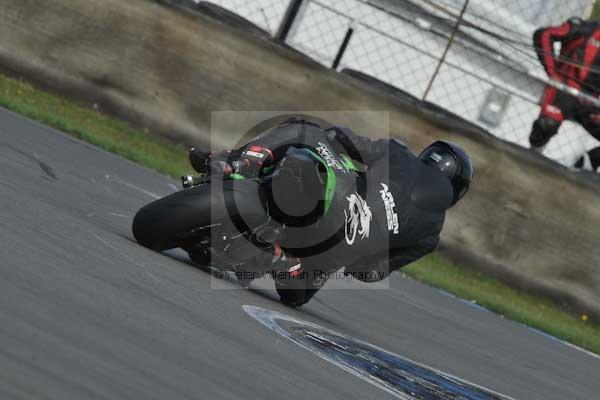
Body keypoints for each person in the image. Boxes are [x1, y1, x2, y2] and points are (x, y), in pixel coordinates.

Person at [190, 118, 473, 306]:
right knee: (295, 297)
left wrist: (329, 142)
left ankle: (232, 163)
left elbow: (343, 139)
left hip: (338, 195)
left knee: (303, 128)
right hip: (336, 250)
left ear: (428, 156)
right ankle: (281, 262)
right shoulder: (430, 236)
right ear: (457, 191)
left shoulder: (398, 153)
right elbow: (369, 273)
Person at [530, 17, 600, 151]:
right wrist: (553, 73)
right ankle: (527, 159)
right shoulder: (585, 29)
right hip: (564, 91)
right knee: (546, 125)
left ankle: (587, 161)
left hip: (591, 104)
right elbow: (544, 35)